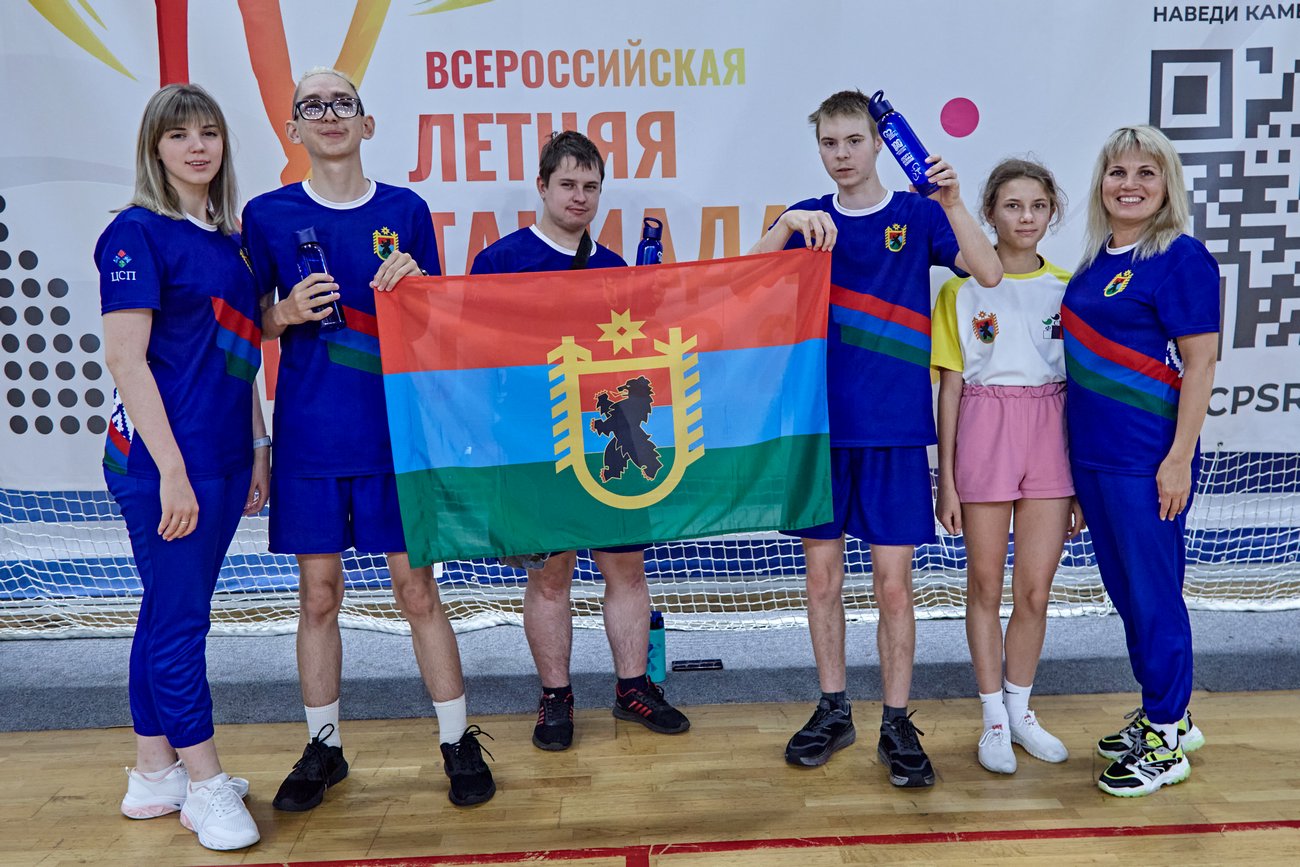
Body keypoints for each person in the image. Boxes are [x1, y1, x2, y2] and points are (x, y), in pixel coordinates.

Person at [241, 67, 494, 809]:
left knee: (418, 590)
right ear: (293, 128)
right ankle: (324, 749)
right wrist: (282, 314)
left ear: (367, 122)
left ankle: (457, 740)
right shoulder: (267, 215)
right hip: (311, 437)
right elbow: (242, 328)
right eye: (312, 106)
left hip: (394, 439)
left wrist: (420, 289)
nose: (329, 115)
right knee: (318, 596)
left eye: (342, 103)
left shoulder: (405, 211)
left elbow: (439, 332)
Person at [751, 89, 1002, 787]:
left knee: (894, 588)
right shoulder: (809, 219)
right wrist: (783, 224)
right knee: (822, 579)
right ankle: (834, 708)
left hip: (893, 432)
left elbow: (988, 271)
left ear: (878, 143)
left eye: (854, 141)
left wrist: (954, 201)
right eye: (829, 143)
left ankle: (896, 719)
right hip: (820, 432)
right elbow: (746, 280)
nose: (841, 155)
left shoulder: (918, 214)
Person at [470, 130, 690, 751]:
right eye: (567, 184)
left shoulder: (616, 268)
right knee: (550, 575)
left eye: (591, 186)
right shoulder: (499, 263)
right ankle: (556, 697)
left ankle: (633, 687)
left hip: (606, 443)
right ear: (542, 187)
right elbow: (475, 365)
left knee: (626, 566)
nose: (579, 196)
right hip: (533, 446)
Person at [98, 83, 265, 851]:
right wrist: (170, 470)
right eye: (178, 135)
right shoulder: (135, 234)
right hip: (163, 465)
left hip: (224, 456)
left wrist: (257, 444)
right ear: (154, 148)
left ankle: (152, 771)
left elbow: (236, 347)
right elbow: (127, 360)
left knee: (166, 607)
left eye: (208, 132)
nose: (197, 146)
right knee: (181, 621)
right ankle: (204, 783)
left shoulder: (227, 238)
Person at [1064, 125, 1217, 797]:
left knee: (1154, 595)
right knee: (1128, 594)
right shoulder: (1095, 260)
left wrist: (1178, 458)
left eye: (1146, 173)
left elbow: (1201, 364)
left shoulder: (1181, 258)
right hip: (1094, 459)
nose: (1129, 184)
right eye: (1118, 171)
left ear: (1167, 185)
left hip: (1147, 458)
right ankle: (1168, 714)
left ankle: (1166, 737)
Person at [931, 158, 1085, 774]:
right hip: (985, 429)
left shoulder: (1070, 288)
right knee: (985, 585)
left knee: (1034, 590)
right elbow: (949, 389)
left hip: (1050, 434)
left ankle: (1022, 712)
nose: (1026, 217)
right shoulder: (959, 289)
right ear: (990, 212)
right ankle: (992, 717)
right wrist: (946, 479)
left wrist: (1079, 482)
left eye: (1038, 206)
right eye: (1013, 206)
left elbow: (1081, 387)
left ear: (1053, 213)